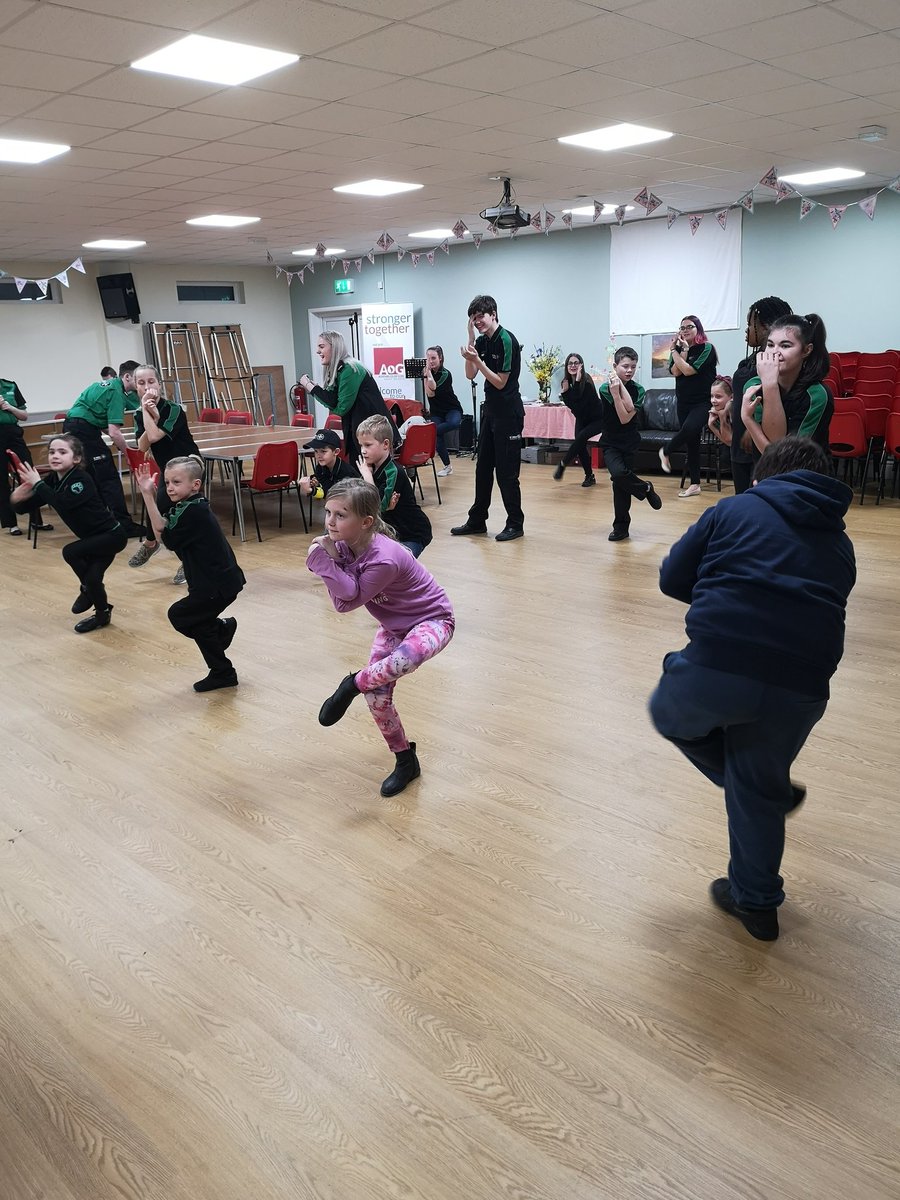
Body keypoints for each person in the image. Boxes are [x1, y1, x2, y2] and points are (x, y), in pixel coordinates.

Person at [648, 436, 856, 942]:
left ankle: (766, 793)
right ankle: (757, 905)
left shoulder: (734, 508)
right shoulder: (841, 541)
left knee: (667, 710)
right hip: (804, 685)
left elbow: (673, 579)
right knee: (756, 782)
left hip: (722, 664)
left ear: (762, 477)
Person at [307, 478, 455, 797]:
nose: (330, 522)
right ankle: (405, 760)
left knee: (405, 659)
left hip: (433, 620)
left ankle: (351, 684)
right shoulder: (345, 546)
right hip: (394, 626)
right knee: (377, 697)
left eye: (341, 515)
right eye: (328, 512)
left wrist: (326, 563)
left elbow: (347, 599)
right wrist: (330, 560)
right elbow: (342, 600)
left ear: (366, 522)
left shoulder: (384, 558)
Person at [136, 456, 245, 693]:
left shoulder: (194, 512)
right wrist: (149, 493)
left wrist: (147, 496)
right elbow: (164, 528)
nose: (170, 487)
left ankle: (221, 641)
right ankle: (222, 663)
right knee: (199, 623)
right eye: (167, 482)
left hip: (217, 585)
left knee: (180, 615)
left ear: (195, 485)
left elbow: (164, 534)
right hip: (213, 583)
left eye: (176, 482)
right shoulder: (190, 506)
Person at [11, 434, 127, 633]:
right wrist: (16, 498)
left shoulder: (81, 479)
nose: (55, 456)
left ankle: (87, 591)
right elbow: (27, 507)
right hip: (94, 540)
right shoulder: (53, 480)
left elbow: (62, 503)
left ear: (76, 459)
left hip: (111, 536)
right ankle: (102, 613)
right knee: (92, 579)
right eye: (52, 452)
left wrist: (38, 485)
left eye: (62, 452)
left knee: (70, 552)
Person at [451, 294, 525, 542]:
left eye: (480, 316)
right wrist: (471, 341)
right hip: (491, 413)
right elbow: (470, 374)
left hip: (509, 413)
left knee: (506, 473)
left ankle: (515, 523)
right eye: (473, 318)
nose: (477, 321)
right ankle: (477, 520)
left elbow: (501, 382)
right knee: (483, 469)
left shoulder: (506, 340)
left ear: (493, 313)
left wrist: (478, 361)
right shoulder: (482, 341)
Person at [128, 364, 200, 586]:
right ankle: (153, 543)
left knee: (172, 513)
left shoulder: (174, 409)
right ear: (135, 387)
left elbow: (153, 435)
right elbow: (141, 446)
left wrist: (150, 413)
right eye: (141, 383)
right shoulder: (139, 414)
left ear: (159, 384)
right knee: (158, 507)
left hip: (189, 465)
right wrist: (147, 412)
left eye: (151, 382)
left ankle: (158, 547)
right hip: (168, 470)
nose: (147, 387)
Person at [64, 359, 145, 537]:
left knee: (94, 479)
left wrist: (119, 443)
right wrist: (130, 454)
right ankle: (124, 526)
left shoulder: (107, 385)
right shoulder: (116, 392)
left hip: (77, 427)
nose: (142, 383)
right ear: (127, 377)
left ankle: (103, 523)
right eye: (139, 379)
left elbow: (102, 423)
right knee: (108, 479)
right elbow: (115, 432)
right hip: (82, 431)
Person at [298, 331, 398, 467]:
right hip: (360, 431)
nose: (317, 351)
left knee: (371, 479)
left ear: (334, 347)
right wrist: (314, 389)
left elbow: (341, 408)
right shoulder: (340, 370)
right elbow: (332, 400)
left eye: (321, 347)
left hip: (372, 433)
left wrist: (310, 387)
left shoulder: (350, 369)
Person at [741, 313, 833, 460]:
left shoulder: (817, 394)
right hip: (765, 473)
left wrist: (748, 419)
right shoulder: (753, 386)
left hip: (805, 475)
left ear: (806, 350)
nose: (774, 353)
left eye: (785, 346)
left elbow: (782, 456)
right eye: (770, 345)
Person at [594, 347, 663, 541]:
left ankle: (621, 528)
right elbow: (620, 415)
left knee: (621, 486)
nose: (629, 370)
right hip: (610, 442)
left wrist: (618, 392)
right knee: (618, 474)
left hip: (630, 441)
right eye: (625, 366)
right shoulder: (604, 388)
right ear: (615, 367)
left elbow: (627, 415)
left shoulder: (639, 390)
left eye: (633, 366)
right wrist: (614, 393)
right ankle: (645, 488)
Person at [730, 297, 793, 494]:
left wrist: (752, 426)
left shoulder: (777, 365)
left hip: (758, 446)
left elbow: (774, 400)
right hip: (739, 444)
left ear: (766, 327)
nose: (747, 330)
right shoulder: (750, 361)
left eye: (750, 324)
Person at [356, 414, 432, 557]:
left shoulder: (394, 472)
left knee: (396, 567)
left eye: (368, 445)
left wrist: (367, 477)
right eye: (361, 445)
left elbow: (378, 507)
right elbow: (363, 502)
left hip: (410, 534)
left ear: (385, 444)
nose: (363, 450)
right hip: (390, 533)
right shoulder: (370, 468)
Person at [659, 315, 718, 498]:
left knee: (690, 428)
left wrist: (673, 351)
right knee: (691, 442)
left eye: (689, 327)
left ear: (698, 329)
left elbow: (688, 370)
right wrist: (680, 351)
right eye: (682, 327)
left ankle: (665, 450)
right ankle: (695, 484)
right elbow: (676, 371)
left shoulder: (706, 348)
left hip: (702, 401)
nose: (685, 330)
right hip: (683, 401)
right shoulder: (680, 350)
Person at [1, 374, 51, 536]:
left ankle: (36, 520)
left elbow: (24, 416)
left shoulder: (10, 386)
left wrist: (8, 406)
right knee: (2, 481)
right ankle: (11, 524)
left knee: (29, 475)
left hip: (14, 434)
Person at [552, 352, 602, 487]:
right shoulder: (566, 383)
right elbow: (573, 406)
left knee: (580, 438)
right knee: (580, 444)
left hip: (598, 418)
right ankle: (589, 476)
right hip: (582, 418)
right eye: (570, 363)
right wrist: (565, 393)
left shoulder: (587, 381)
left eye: (576, 363)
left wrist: (578, 381)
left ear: (581, 365)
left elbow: (581, 405)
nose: (573, 365)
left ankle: (563, 464)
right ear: (567, 366)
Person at [423, 345, 463, 477]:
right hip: (436, 412)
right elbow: (429, 394)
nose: (430, 361)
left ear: (440, 358)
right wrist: (426, 376)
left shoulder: (446, 374)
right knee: (437, 435)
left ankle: (430, 434)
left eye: (433, 358)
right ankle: (447, 466)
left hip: (452, 408)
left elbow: (433, 390)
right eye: (428, 358)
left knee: (453, 424)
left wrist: (428, 375)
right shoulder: (425, 373)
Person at [299, 428, 357, 501]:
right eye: (316, 451)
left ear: (336, 452)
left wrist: (312, 491)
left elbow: (335, 497)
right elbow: (325, 489)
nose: (318, 456)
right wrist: (316, 485)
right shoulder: (321, 467)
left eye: (323, 451)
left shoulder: (346, 473)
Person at [707, 375, 733, 447]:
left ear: (731, 397)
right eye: (712, 396)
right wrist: (711, 425)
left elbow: (730, 441)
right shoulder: (717, 412)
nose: (713, 401)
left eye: (718, 397)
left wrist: (722, 415)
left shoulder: (736, 412)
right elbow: (727, 442)